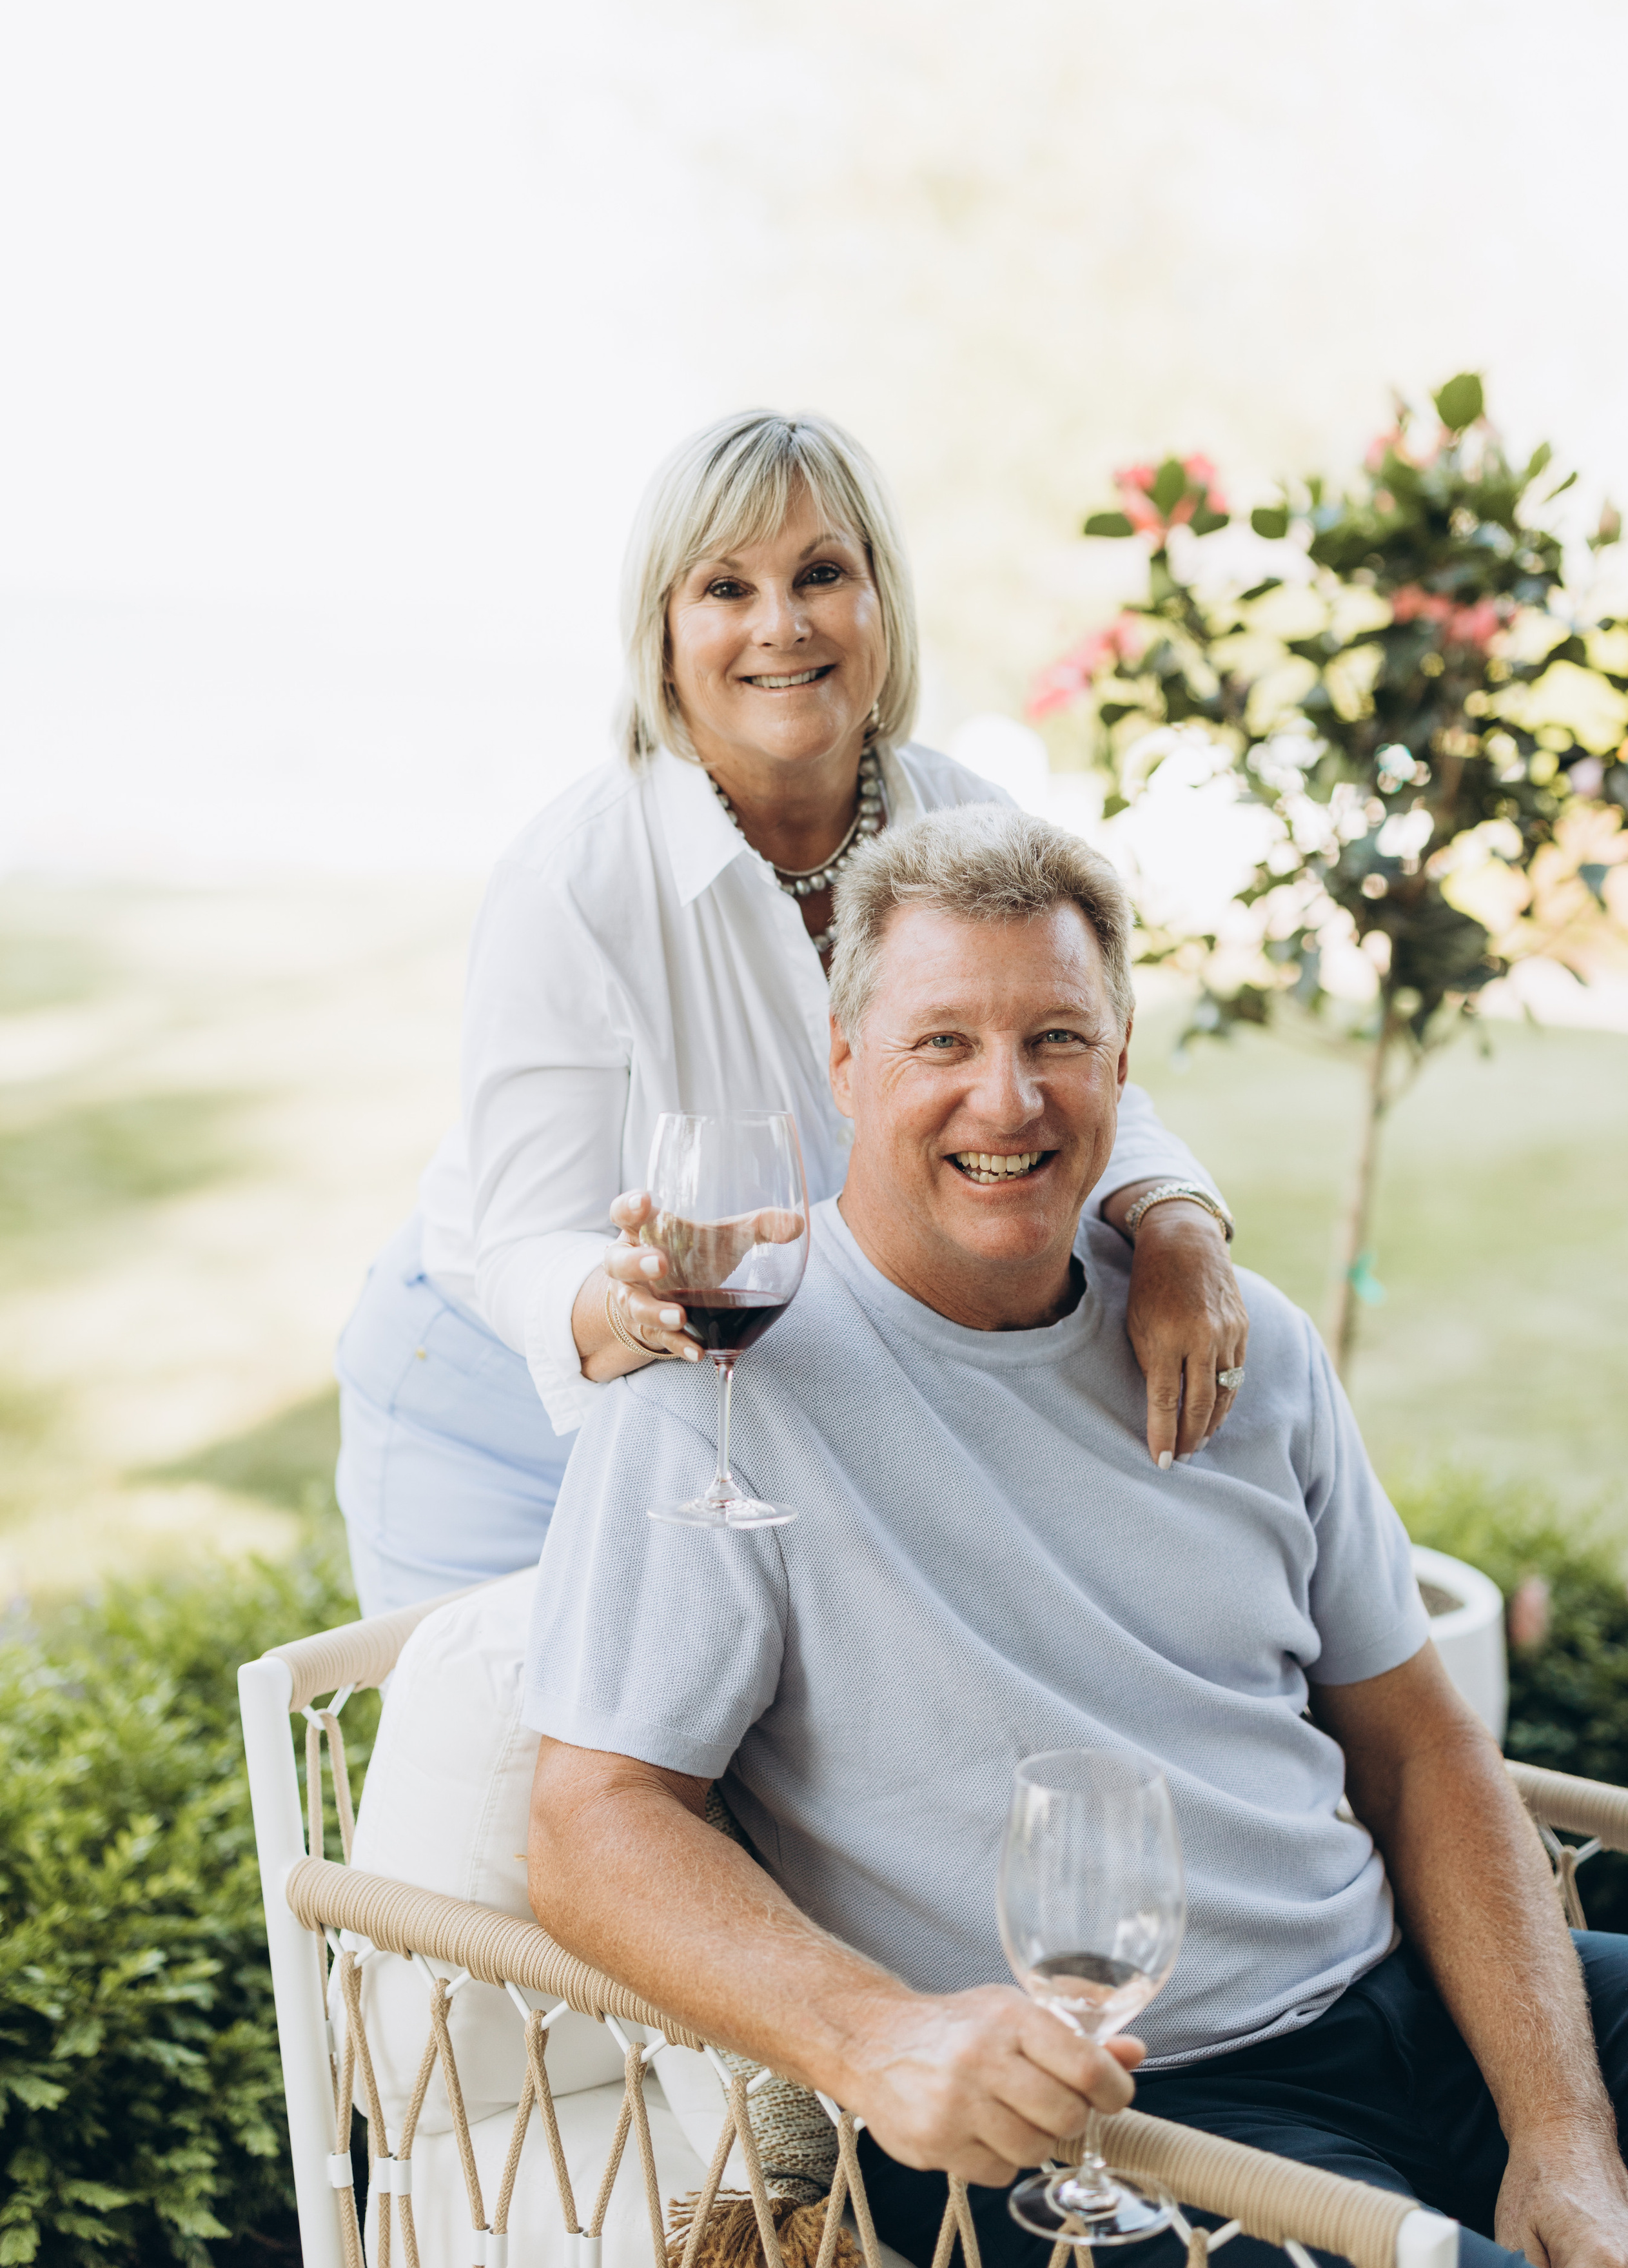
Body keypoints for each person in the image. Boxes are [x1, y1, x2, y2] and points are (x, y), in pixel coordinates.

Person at [523, 805, 1628, 2268]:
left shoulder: (1247, 1348)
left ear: (1121, 1066)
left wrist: (1562, 2134)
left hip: (1410, 1996)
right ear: (845, 1063)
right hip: (1103, 2126)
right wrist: (880, 2041)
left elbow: (1420, 1745)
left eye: (1056, 1039)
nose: (1006, 1102)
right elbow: (592, 1822)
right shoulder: (720, 1382)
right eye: (941, 1042)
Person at [335, 410, 1247, 1617]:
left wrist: (1179, 1227)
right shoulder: (574, 880)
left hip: (754, 1397)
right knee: (507, 1731)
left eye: (821, 574)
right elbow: (519, 1249)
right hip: (494, 1401)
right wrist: (640, 1301)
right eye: (727, 588)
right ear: (664, 633)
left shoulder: (966, 818)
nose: (783, 625)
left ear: (882, 601)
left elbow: (1060, 1060)